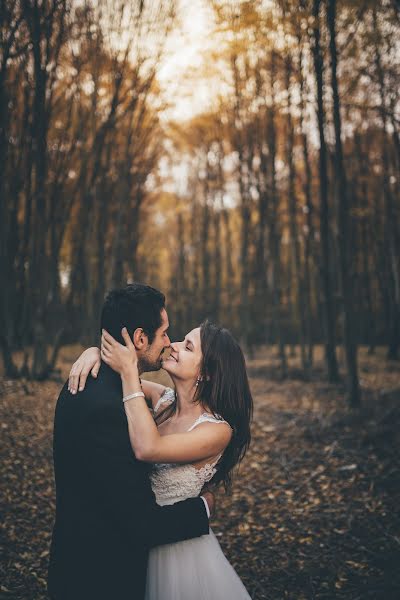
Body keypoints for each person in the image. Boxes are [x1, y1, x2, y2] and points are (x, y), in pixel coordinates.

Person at [70, 299, 253, 599]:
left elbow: (147, 448)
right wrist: (93, 352)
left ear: (206, 372)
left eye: (189, 347)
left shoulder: (217, 430)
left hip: (179, 555)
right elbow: (117, 375)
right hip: (137, 542)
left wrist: (129, 372)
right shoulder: (165, 401)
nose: (175, 345)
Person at [48, 284, 213, 600]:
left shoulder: (90, 384)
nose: (168, 341)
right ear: (140, 338)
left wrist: (93, 350)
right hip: (101, 580)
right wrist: (203, 508)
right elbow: (142, 524)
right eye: (163, 333)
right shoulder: (111, 411)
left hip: (76, 567)